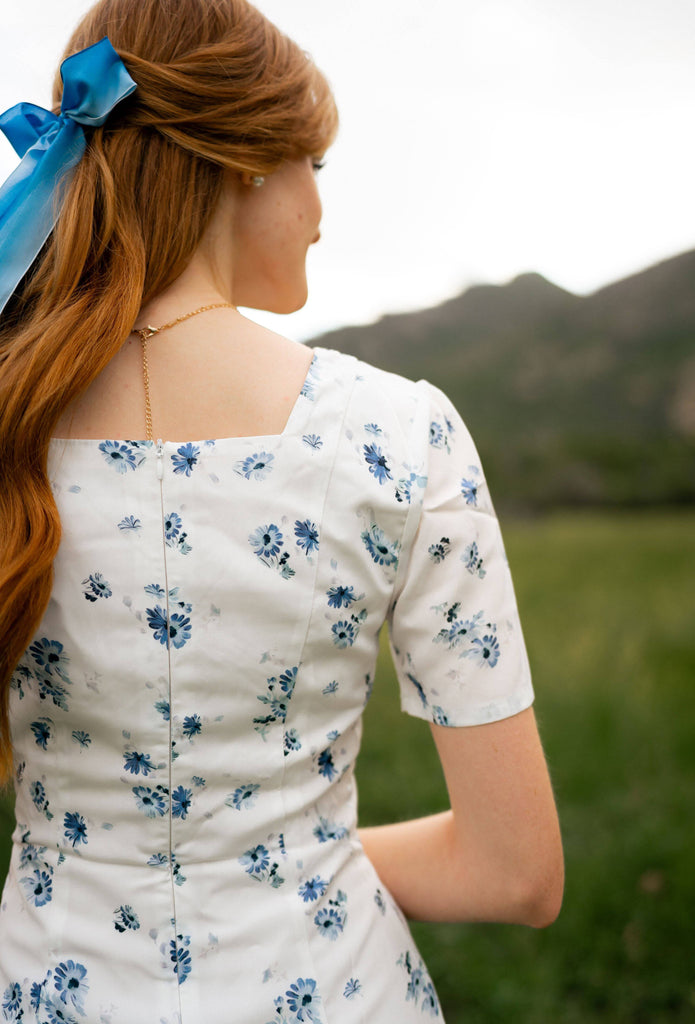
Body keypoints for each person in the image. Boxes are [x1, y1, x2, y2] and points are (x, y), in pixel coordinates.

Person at [0, 1, 563, 1021]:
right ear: (242, 159)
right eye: (314, 162)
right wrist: (285, 866)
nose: (319, 204)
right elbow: (514, 872)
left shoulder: (11, 414)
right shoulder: (400, 434)